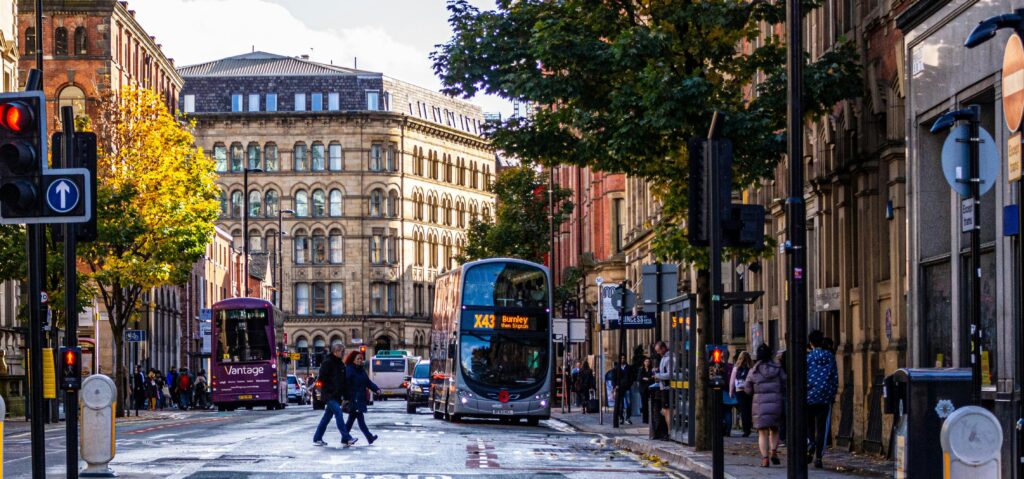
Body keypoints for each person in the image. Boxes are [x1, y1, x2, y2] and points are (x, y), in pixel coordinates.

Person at [745, 344, 785, 468]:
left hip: (760, 405)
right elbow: (785, 383)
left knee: (762, 432)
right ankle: (773, 451)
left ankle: (765, 459)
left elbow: (747, 389)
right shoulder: (778, 369)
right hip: (776, 403)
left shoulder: (753, 371)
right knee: (775, 429)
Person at [313, 343, 357, 447]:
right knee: (339, 413)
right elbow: (321, 379)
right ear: (335, 351)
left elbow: (343, 383)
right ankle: (347, 437)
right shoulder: (327, 363)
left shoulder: (341, 364)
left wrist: (346, 397)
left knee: (326, 418)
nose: (343, 353)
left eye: (343, 351)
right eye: (342, 351)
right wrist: (321, 392)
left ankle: (317, 437)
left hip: (336, 395)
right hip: (329, 394)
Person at [806, 330, 838, 469]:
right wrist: (832, 394)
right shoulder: (830, 356)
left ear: (811, 342)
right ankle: (818, 456)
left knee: (808, 425)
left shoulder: (807, 357)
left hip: (808, 396)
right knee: (822, 428)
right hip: (824, 397)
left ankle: (811, 443)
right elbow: (834, 377)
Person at [344, 351, 382, 444]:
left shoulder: (361, 370)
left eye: (361, 358)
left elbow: (367, 382)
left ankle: (345, 438)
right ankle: (369, 438)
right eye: (358, 359)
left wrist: (376, 389)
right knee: (360, 419)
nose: (361, 360)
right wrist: (347, 396)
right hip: (354, 398)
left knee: (351, 420)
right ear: (353, 360)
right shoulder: (349, 370)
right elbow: (345, 384)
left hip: (360, 398)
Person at [729, 351, 754, 437]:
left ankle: (745, 430)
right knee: (749, 409)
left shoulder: (736, 368)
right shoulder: (751, 368)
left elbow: (732, 381)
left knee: (743, 410)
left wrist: (731, 392)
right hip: (749, 390)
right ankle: (749, 427)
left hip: (739, 390)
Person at [653, 341, 672, 438]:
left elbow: (670, 374)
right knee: (664, 411)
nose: (658, 352)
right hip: (663, 388)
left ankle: (669, 433)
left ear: (664, 348)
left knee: (666, 411)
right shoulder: (663, 358)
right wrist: (658, 371)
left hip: (667, 388)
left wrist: (658, 375)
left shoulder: (669, 358)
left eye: (659, 350)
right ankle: (666, 432)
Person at [612, 354, 635, 426]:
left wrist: (629, 384)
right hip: (619, 388)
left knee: (628, 403)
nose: (622, 359)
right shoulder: (616, 368)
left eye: (624, 358)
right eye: (621, 358)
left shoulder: (629, 368)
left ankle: (628, 418)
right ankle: (621, 418)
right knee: (620, 404)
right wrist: (615, 386)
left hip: (627, 388)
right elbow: (613, 378)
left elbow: (632, 377)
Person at [637, 357, 655, 424]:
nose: (647, 363)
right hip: (643, 389)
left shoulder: (652, 370)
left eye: (648, 361)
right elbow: (639, 378)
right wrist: (648, 379)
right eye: (646, 361)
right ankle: (645, 420)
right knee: (644, 404)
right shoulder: (641, 369)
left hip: (650, 388)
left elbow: (653, 378)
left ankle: (652, 418)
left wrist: (646, 379)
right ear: (644, 362)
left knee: (652, 404)